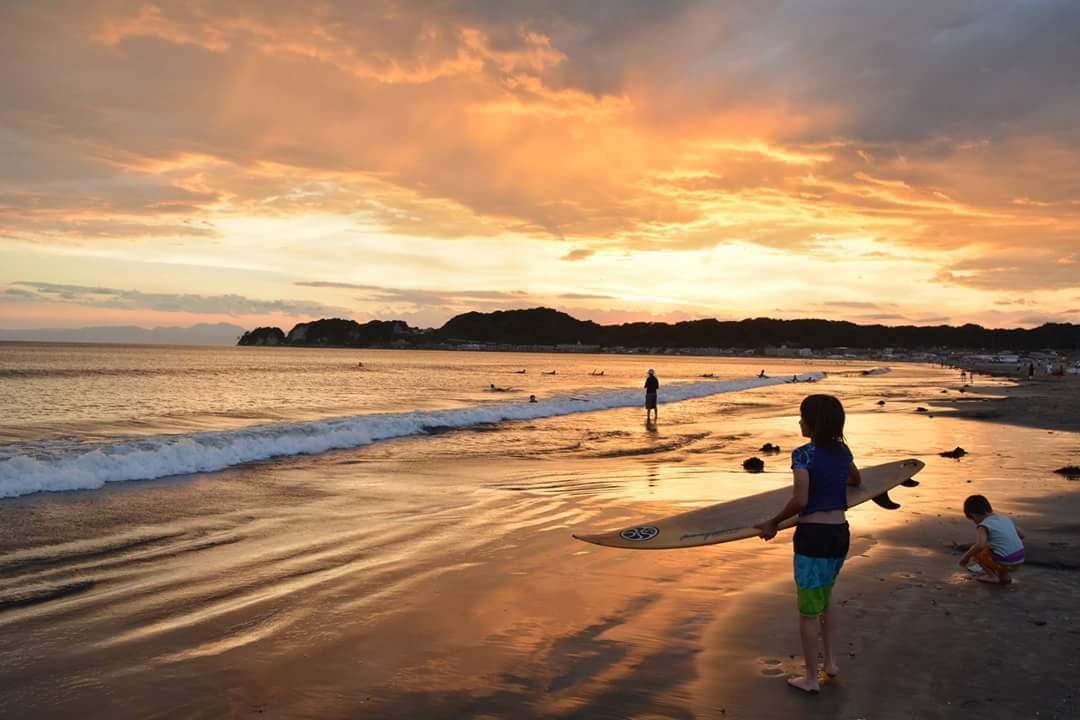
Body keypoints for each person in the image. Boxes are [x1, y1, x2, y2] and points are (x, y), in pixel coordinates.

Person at [754, 395, 861, 694]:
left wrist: (773, 522)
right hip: (840, 533)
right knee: (827, 597)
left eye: (802, 416)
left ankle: (811, 679)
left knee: (808, 610)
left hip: (813, 537)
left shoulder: (803, 455)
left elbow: (800, 500)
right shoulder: (843, 451)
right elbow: (856, 480)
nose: (799, 421)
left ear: (813, 422)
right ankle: (830, 663)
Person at [957, 495, 1024, 584]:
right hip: (1020, 559)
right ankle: (1004, 577)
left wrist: (966, 557)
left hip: (1005, 562)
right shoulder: (1005, 518)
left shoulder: (983, 525)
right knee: (997, 548)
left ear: (973, 515)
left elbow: (980, 545)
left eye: (972, 519)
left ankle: (991, 576)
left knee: (978, 551)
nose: (974, 522)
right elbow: (1021, 535)